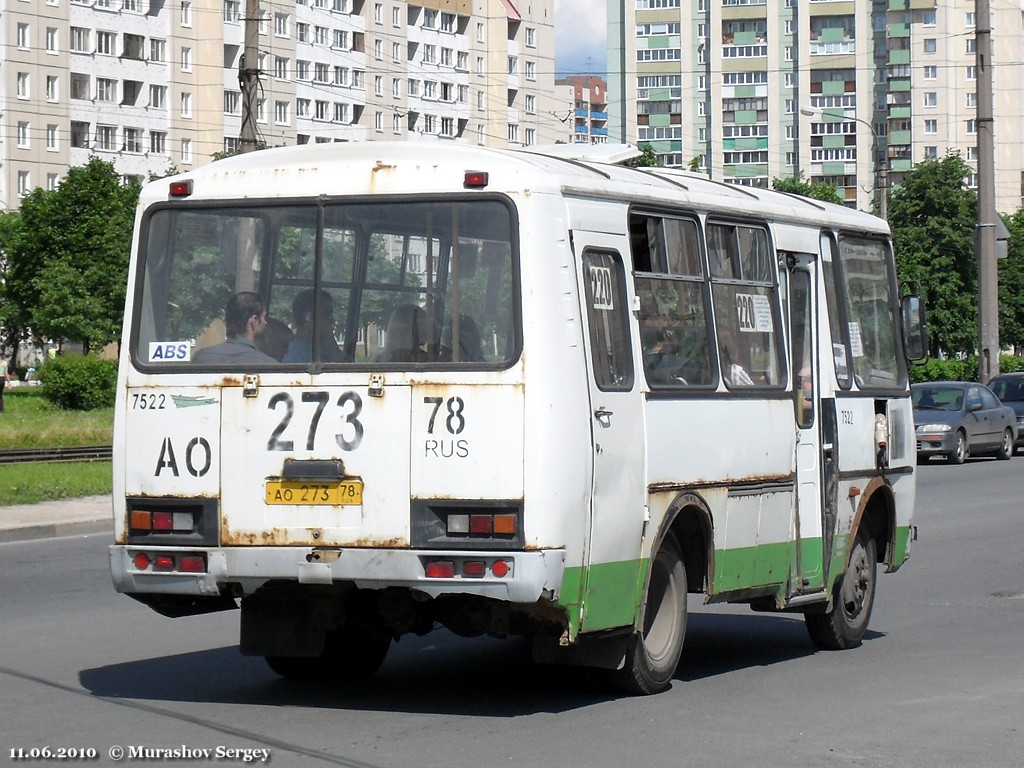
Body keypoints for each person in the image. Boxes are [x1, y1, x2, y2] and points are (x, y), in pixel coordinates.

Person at [192, 291, 277, 365]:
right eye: (263, 317)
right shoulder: (269, 366)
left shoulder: (202, 358)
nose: (265, 322)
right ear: (253, 321)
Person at [281, 288, 347, 363]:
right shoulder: (289, 352)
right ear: (309, 317)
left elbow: (348, 367)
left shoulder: (326, 346)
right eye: (326, 315)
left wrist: (329, 338)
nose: (331, 320)